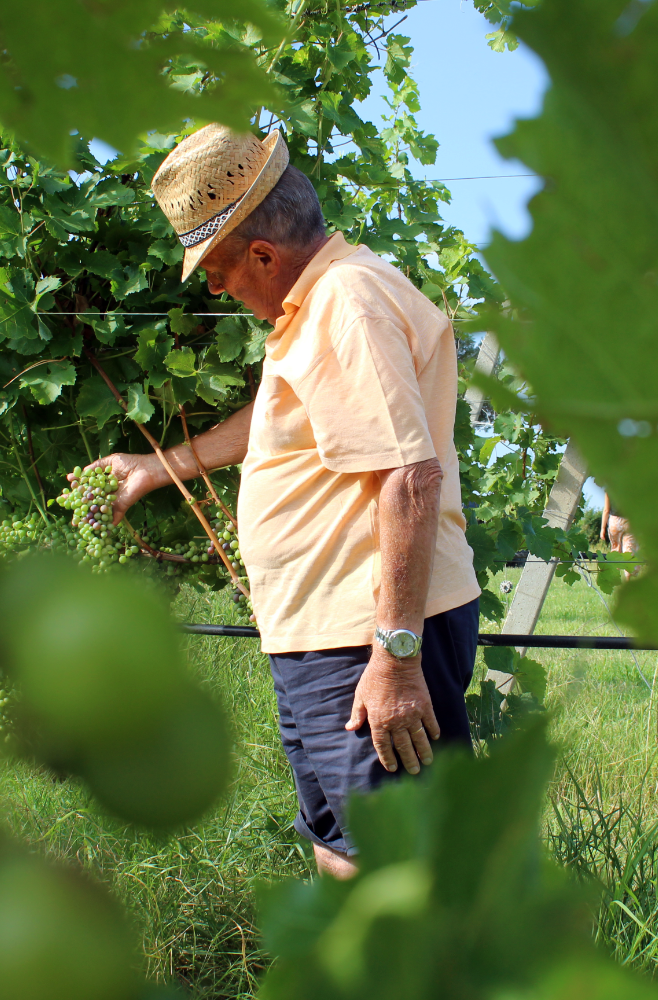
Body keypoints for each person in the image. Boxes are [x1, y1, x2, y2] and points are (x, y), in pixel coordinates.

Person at [81, 124, 480, 879]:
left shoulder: (345, 302)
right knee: (340, 847)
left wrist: (394, 659)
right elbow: (278, 420)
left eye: (218, 269)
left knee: (409, 875)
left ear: (262, 254)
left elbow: (408, 478)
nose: (214, 288)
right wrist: (154, 468)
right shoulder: (318, 306)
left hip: (366, 638)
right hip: (321, 637)